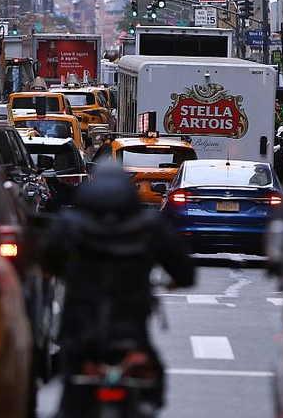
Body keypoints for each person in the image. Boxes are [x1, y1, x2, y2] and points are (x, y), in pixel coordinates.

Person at [41, 162, 195, 417]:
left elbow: (48, 263)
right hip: (131, 332)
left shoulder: (69, 224)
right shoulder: (149, 226)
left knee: (69, 391)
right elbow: (185, 273)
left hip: (80, 331)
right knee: (150, 380)